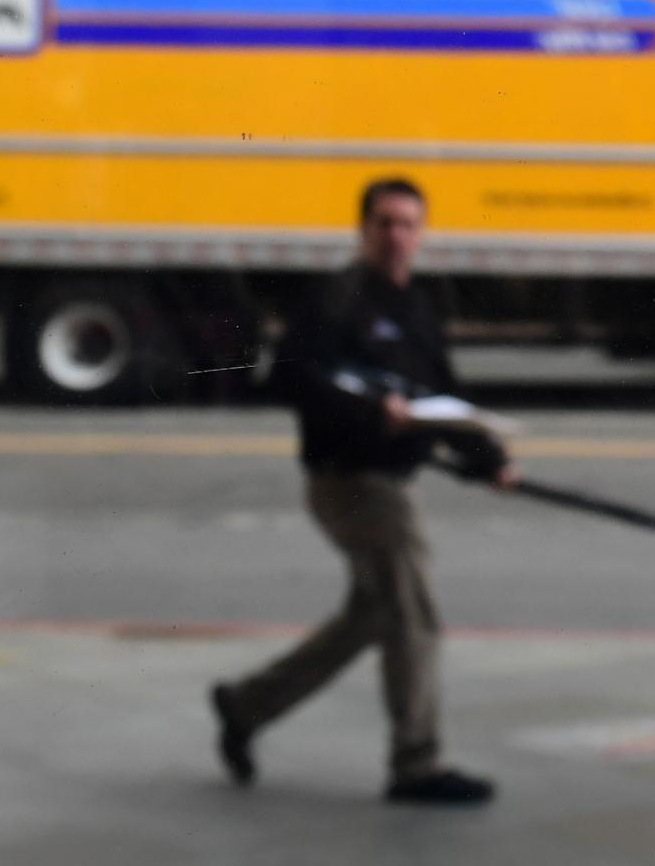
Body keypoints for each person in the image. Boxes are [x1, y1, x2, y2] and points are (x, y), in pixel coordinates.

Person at [209, 177, 518, 805]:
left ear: (422, 233)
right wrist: (374, 412)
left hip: (392, 479)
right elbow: (292, 380)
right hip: (353, 482)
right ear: (363, 230)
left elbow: (440, 398)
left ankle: (245, 707)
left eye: (407, 224)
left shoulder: (418, 307)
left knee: (372, 616)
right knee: (414, 617)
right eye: (384, 223)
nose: (395, 236)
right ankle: (416, 764)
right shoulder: (336, 299)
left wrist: (488, 459)